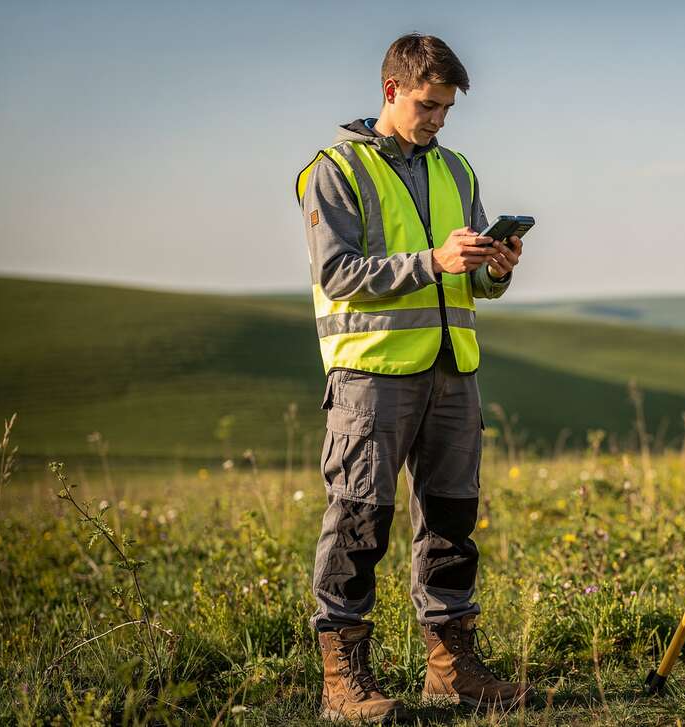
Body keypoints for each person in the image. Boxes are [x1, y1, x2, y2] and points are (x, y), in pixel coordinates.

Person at [294, 33, 530, 722]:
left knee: (453, 520)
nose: (438, 120)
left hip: (453, 372)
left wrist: (495, 268)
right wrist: (431, 259)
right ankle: (344, 682)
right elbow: (337, 274)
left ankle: (453, 669)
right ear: (392, 89)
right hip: (372, 377)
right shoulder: (334, 170)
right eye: (429, 105)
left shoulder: (458, 169)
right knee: (360, 521)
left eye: (447, 109)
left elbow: (473, 280)